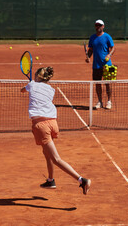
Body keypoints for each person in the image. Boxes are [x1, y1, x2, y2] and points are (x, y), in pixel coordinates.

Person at [20, 66, 91, 195]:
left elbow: (22, 91)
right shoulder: (50, 89)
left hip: (41, 126)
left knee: (56, 159)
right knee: (46, 153)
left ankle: (82, 180)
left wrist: (30, 84)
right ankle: (50, 180)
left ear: (37, 76)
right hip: (53, 123)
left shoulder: (31, 85)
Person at [85, 19, 115, 109]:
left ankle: (109, 101)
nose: (98, 27)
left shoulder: (107, 37)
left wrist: (109, 55)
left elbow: (113, 48)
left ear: (103, 26)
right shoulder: (92, 37)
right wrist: (88, 57)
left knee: (108, 83)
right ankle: (100, 101)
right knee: (97, 83)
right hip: (96, 65)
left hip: (107, 65)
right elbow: (90, 50)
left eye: (100, 25)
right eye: (96, 25)